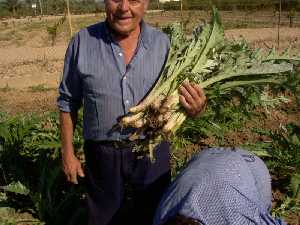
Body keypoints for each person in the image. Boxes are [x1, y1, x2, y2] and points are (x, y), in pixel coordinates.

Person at [57, 0, 207, 224]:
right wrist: (67, 153)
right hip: (101, 153)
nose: (124, 7)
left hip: (152, 150)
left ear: (146, 3)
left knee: (153, 215)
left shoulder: (163, 44)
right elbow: (68, 101)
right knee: (102, 217)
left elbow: (182, 99)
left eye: (134, 0)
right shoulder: (82, 42)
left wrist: (196, 107)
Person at [153, 148, 287, 225]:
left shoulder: (239, 220)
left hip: (249, 165)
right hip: (204, 161)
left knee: (260, 208)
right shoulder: (160, 219)